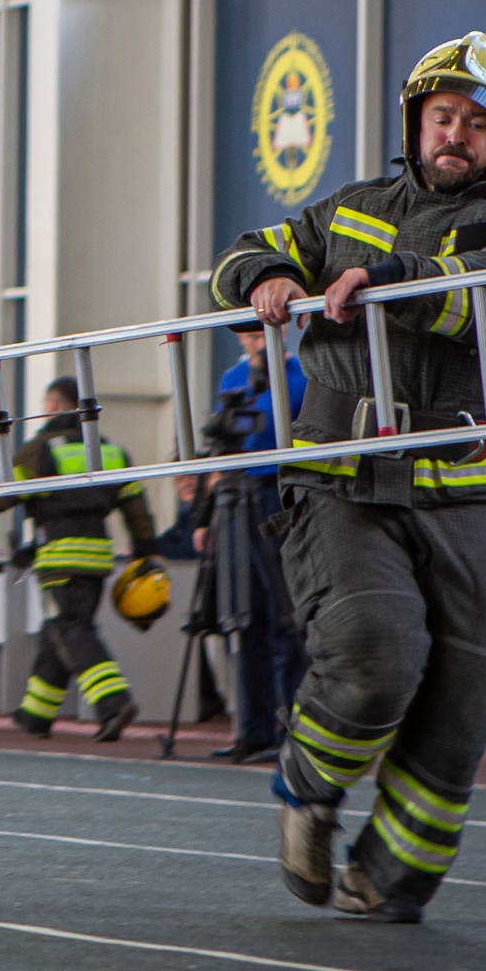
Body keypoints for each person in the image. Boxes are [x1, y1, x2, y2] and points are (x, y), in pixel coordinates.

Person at [214, 31, 486, 924]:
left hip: (467, 484)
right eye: (442, 116)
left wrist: (398, 274)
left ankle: (387, 876)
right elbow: (242, 253)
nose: (455, 134)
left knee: (467, 694)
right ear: (415, 122)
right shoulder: (352, 205)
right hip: (344, 477)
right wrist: (265, 276)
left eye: (478, 123)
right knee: (376, 653)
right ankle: (309, 786)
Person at [0, 377, 163, 743]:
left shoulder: (41, 450)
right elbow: (137, 509)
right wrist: (147, 552)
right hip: (98, 558)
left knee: (72, 630)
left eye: (46, 402)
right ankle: (35, 714)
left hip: (59, 558)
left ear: (55, 405)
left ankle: (113, 703)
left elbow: (6, 491)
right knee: (59, 631)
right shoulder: (110, 451)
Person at [190, 322, 309, 764]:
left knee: (286, 615)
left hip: (279, 495)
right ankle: (252, 730)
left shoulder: (303, 377)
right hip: (236, 498)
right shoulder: (231, 379)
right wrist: (205, 517)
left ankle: (291, 730)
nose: (252, 344)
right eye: (247, 337)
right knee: (244, 617)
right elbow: (221, 449)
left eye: (259, 336)